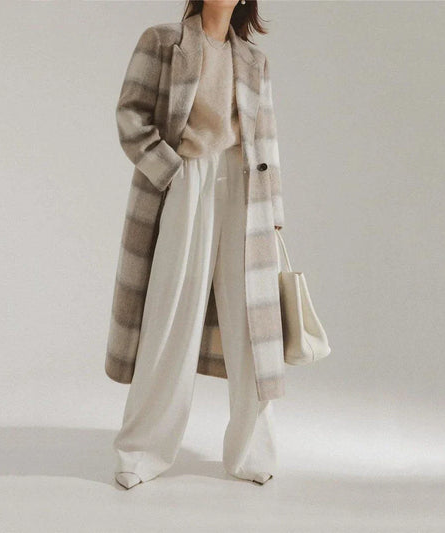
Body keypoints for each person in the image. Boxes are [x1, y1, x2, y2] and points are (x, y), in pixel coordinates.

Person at [106, 0, 286, 489]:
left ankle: (252, 452)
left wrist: (274, 214)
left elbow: (266, 140)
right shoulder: (163, 41)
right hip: (185, 180)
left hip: (244, 190)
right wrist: (170, 170)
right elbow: (130, 114)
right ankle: (142, 451)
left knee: (251, 325)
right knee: (170, 314)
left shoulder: (254, 60)